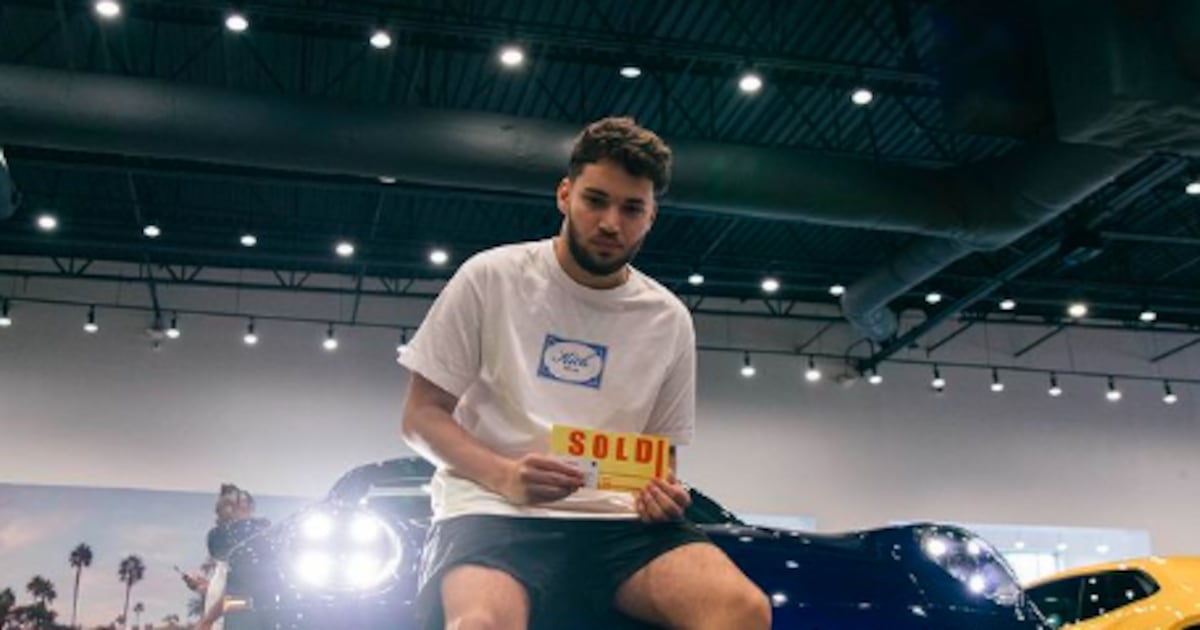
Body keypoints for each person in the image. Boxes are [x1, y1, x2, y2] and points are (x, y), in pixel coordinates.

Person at [399, 117, 771, 630]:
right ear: (565, 195)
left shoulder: (668, 318)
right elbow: (421, 417)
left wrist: (663, 491)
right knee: (482, 624)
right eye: (596, 200)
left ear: (651, 216)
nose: (611, 223)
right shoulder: (491, 276)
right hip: (494, 508)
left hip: (618, 520)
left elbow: (660, 453)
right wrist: (504, 475)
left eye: (631, 208)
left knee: (743, 610)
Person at [183, 484, 269, 630]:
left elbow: (243, 599)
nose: (228, 508)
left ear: (248, 507)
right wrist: (206, 588)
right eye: (224, 502)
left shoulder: (255, 543)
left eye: (236, 502)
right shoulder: (228, 546)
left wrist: (208, 620)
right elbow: (233, 590)